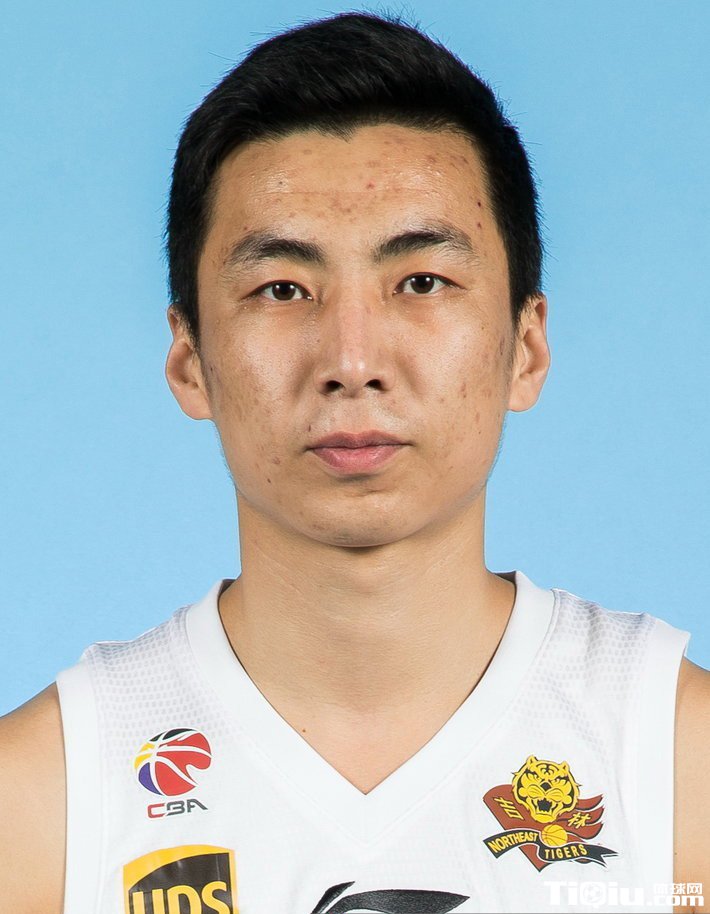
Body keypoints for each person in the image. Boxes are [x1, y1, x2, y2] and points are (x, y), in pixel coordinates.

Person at [1, 11, 708, 914]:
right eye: (282, 289)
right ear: (189, 361)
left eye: (421, 282)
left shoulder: (680, 768)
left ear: (525, 348)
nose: (353, 359)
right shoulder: (41, 806)